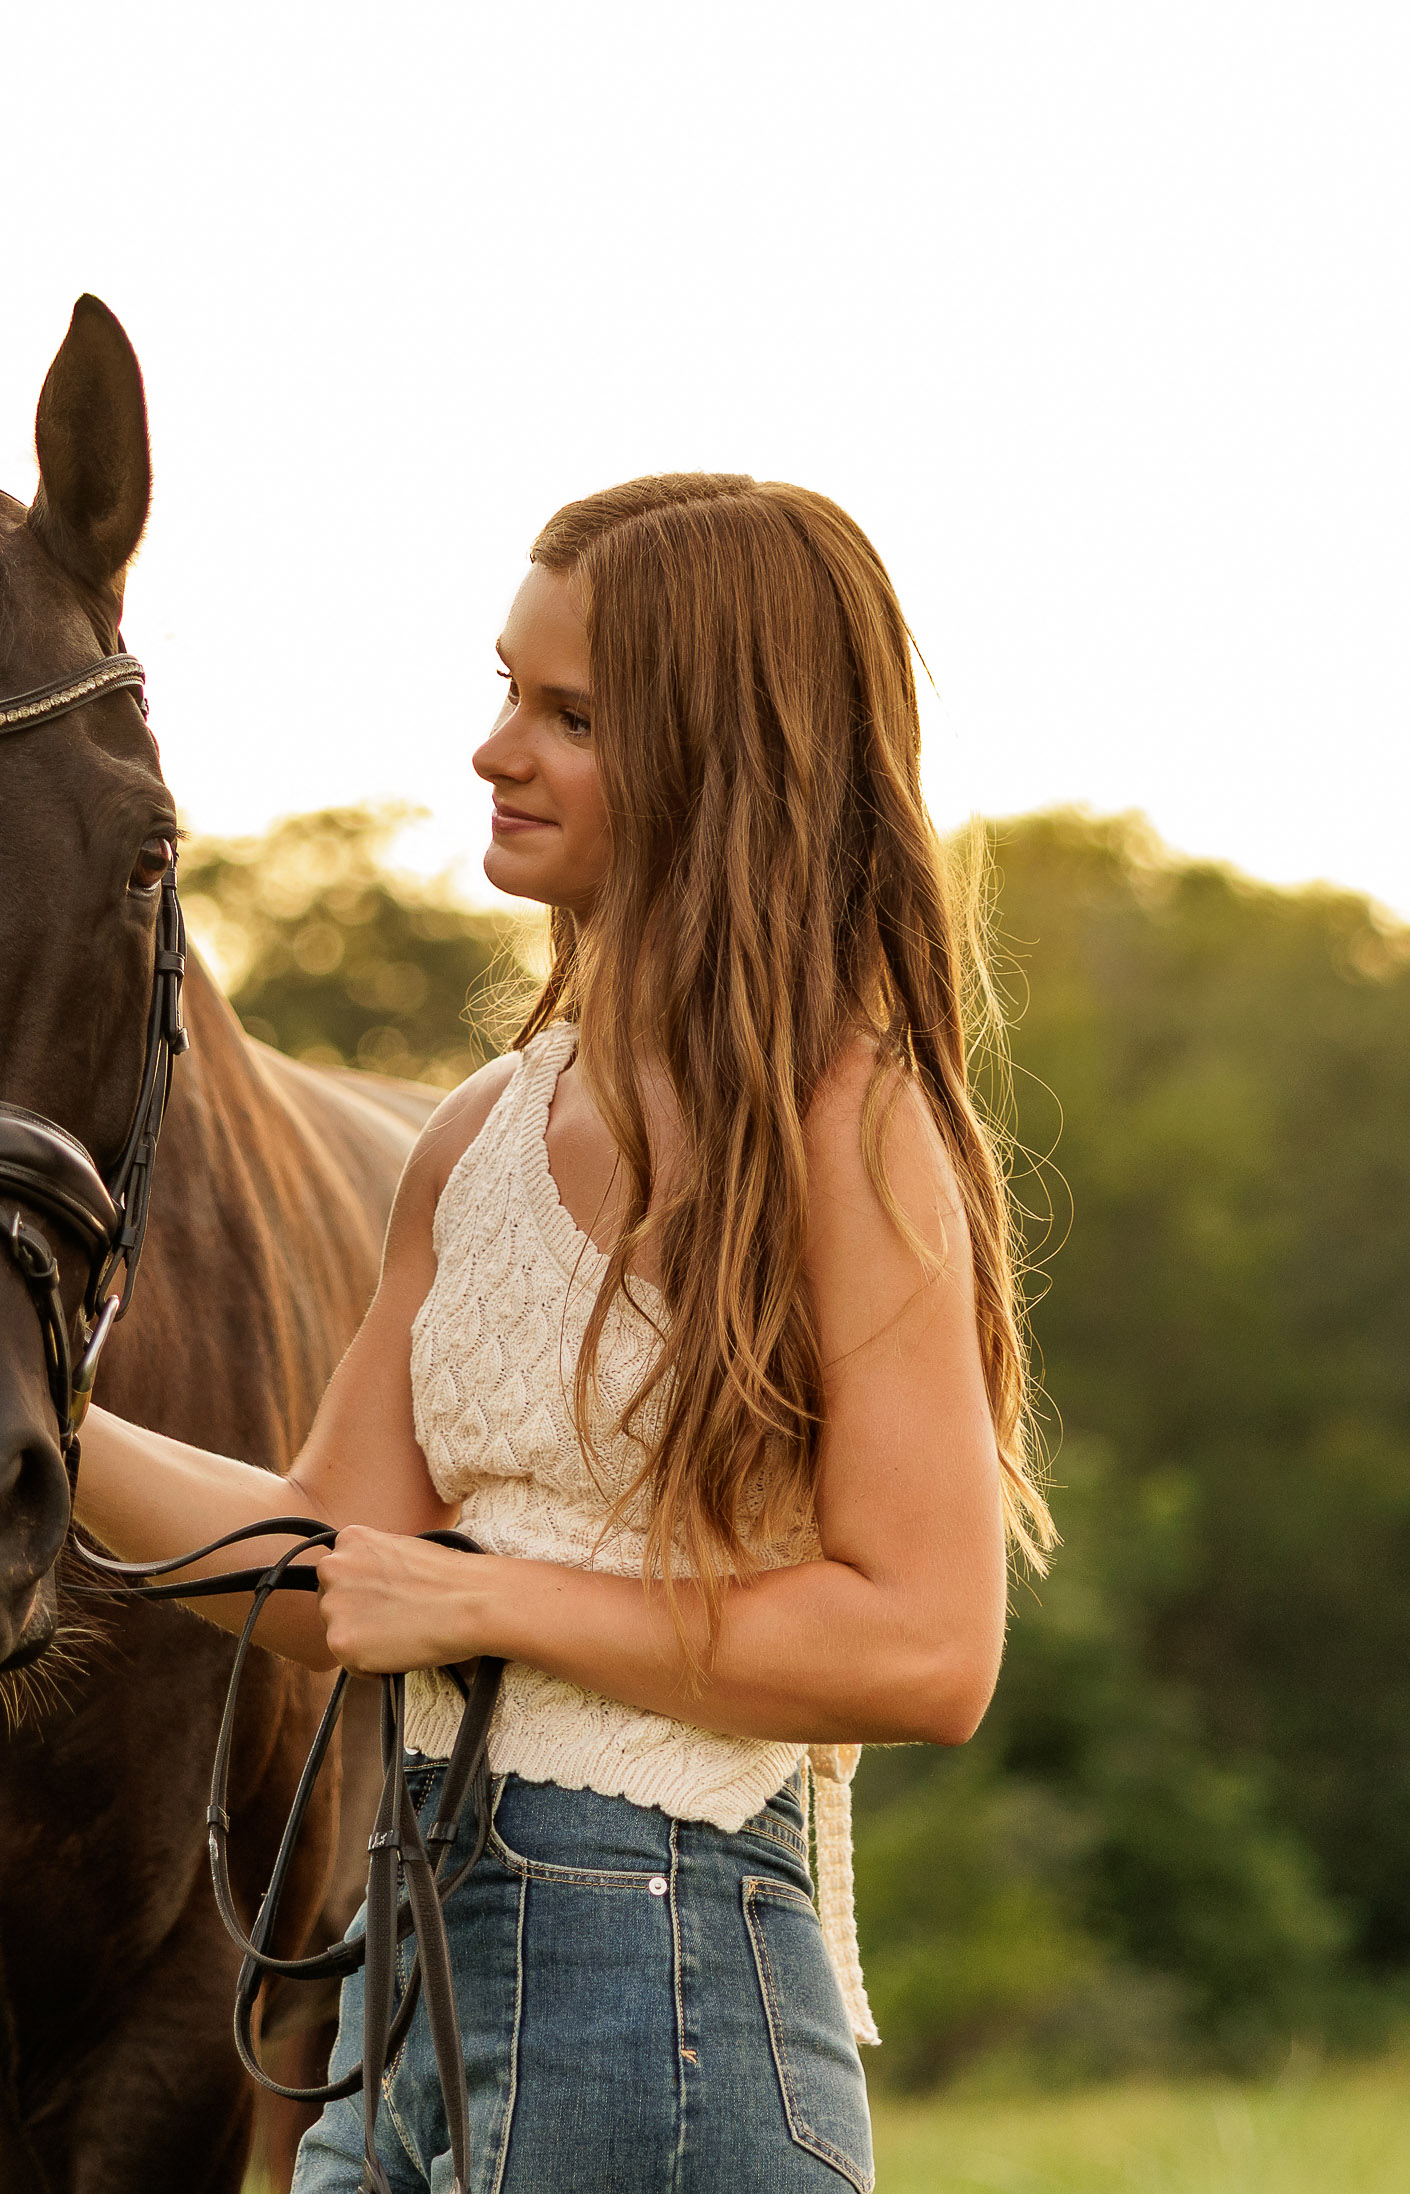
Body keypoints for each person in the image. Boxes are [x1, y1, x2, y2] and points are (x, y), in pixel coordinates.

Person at [72, 473, 1055, 2192]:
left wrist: (488, 1596)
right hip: (403, 1970)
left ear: (719, 757)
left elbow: (924, 1644)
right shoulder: (474, 1136)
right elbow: (329, 1576)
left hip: (668, 1976)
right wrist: (33, 1426)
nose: (494, 750)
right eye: (503, 688)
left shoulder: (851, 1122)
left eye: (569, 714)